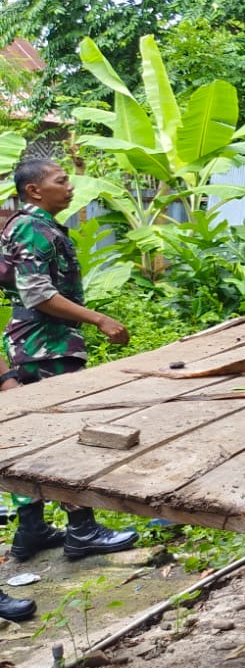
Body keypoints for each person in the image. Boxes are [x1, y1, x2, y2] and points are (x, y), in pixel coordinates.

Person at [0, 158, 143, 612]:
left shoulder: (39, 226)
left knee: (35, 437)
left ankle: (33, 529)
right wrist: (99, 318)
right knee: (60, 440)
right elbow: (38, 293)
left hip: (42, 346)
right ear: (34, 191)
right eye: (60, 181)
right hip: (44, 347)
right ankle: (82, 528)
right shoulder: (32, 229)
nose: (70, 186)